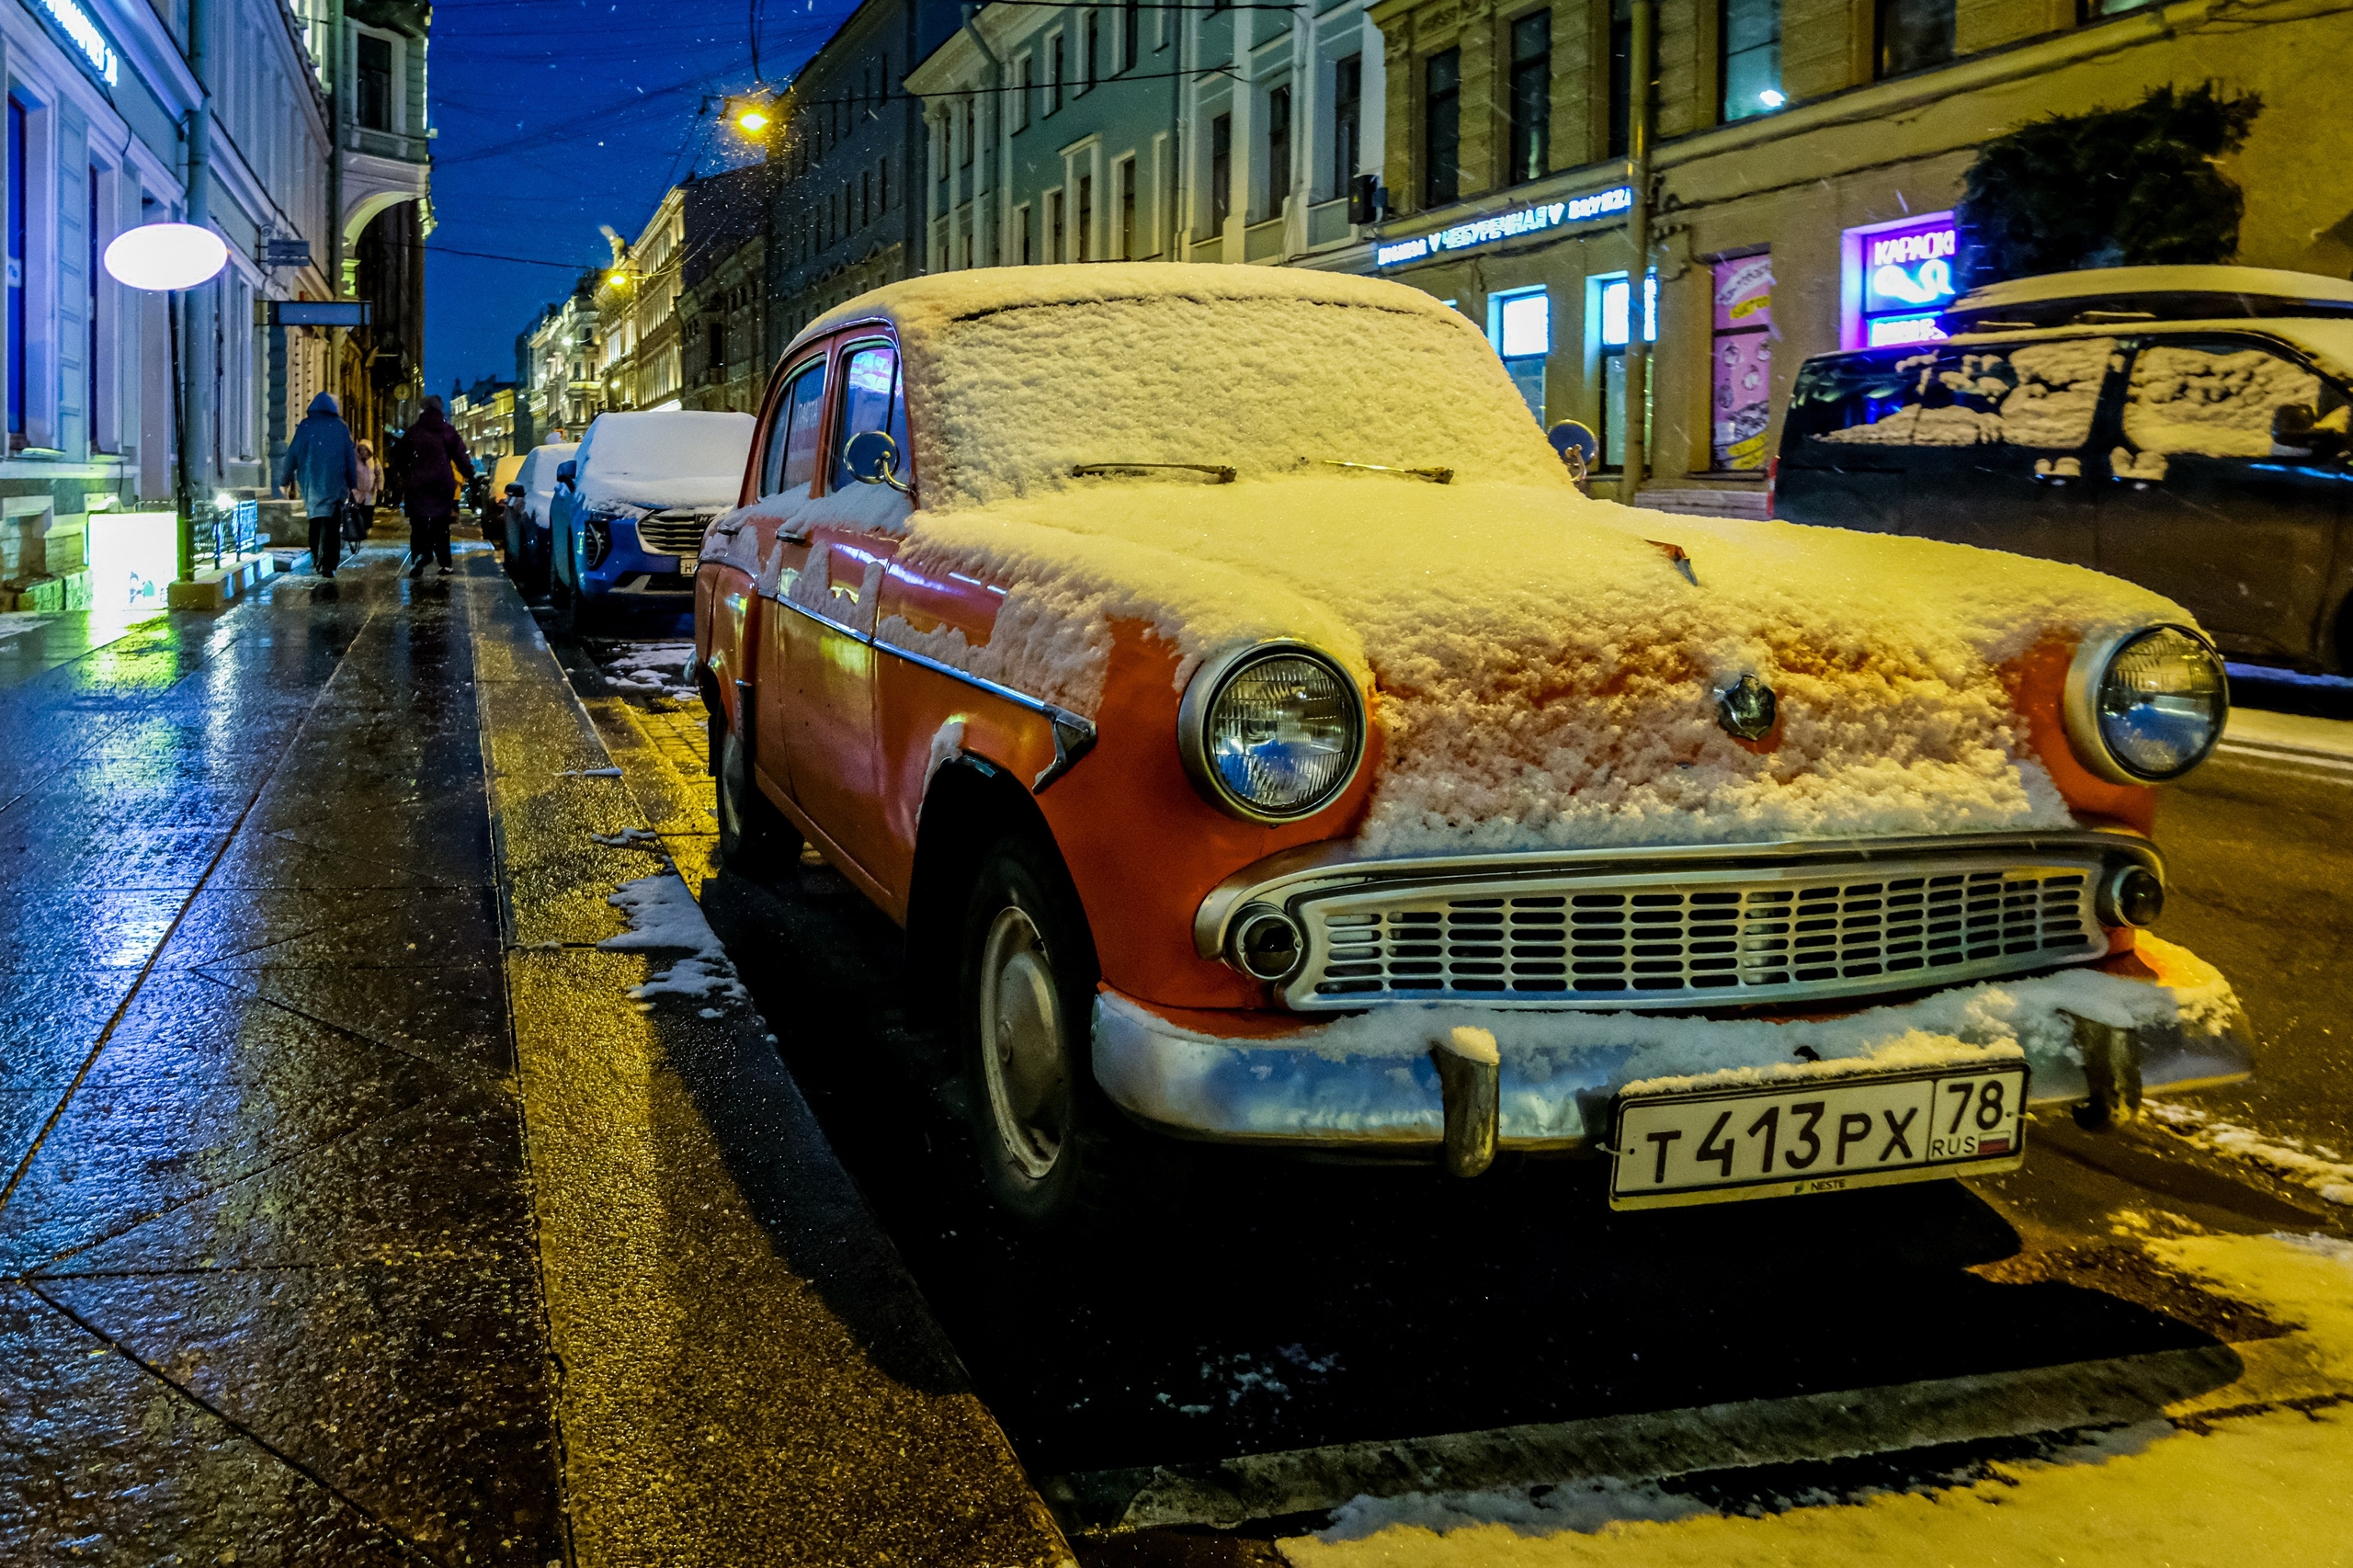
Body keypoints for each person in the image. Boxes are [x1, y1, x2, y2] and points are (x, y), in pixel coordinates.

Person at [390, 396, 476, 578]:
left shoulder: (414, 431)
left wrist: (407, 474)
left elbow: (399, 458)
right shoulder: (448, 431)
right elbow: (460, 456)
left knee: (418, 524)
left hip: (418, 485)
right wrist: (469, 474)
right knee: (441, 524)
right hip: (442, 484)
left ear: (424, 409)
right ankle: (445, 563)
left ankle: (420, 556)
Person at [275, 392, 361, 574]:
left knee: (315, 521)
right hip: (336, 484)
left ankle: (317, 557)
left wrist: (285, 480)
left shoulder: (306, 426)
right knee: (332, 524)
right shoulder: (341, 428)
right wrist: (352, 483)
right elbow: (350, 458)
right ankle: (329, 563)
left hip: (311, 484)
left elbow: (292, 454)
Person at [347, 438, 380, 548]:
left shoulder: (374, 461)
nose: (363, 452)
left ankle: (367, 527)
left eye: (365, 450)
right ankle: (359, 529)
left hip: (370, 492)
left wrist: (379, 487)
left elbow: (379, 474)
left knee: (368, 511)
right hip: (358, 491)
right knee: (358, 510)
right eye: (361, 449)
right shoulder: (355, 461)